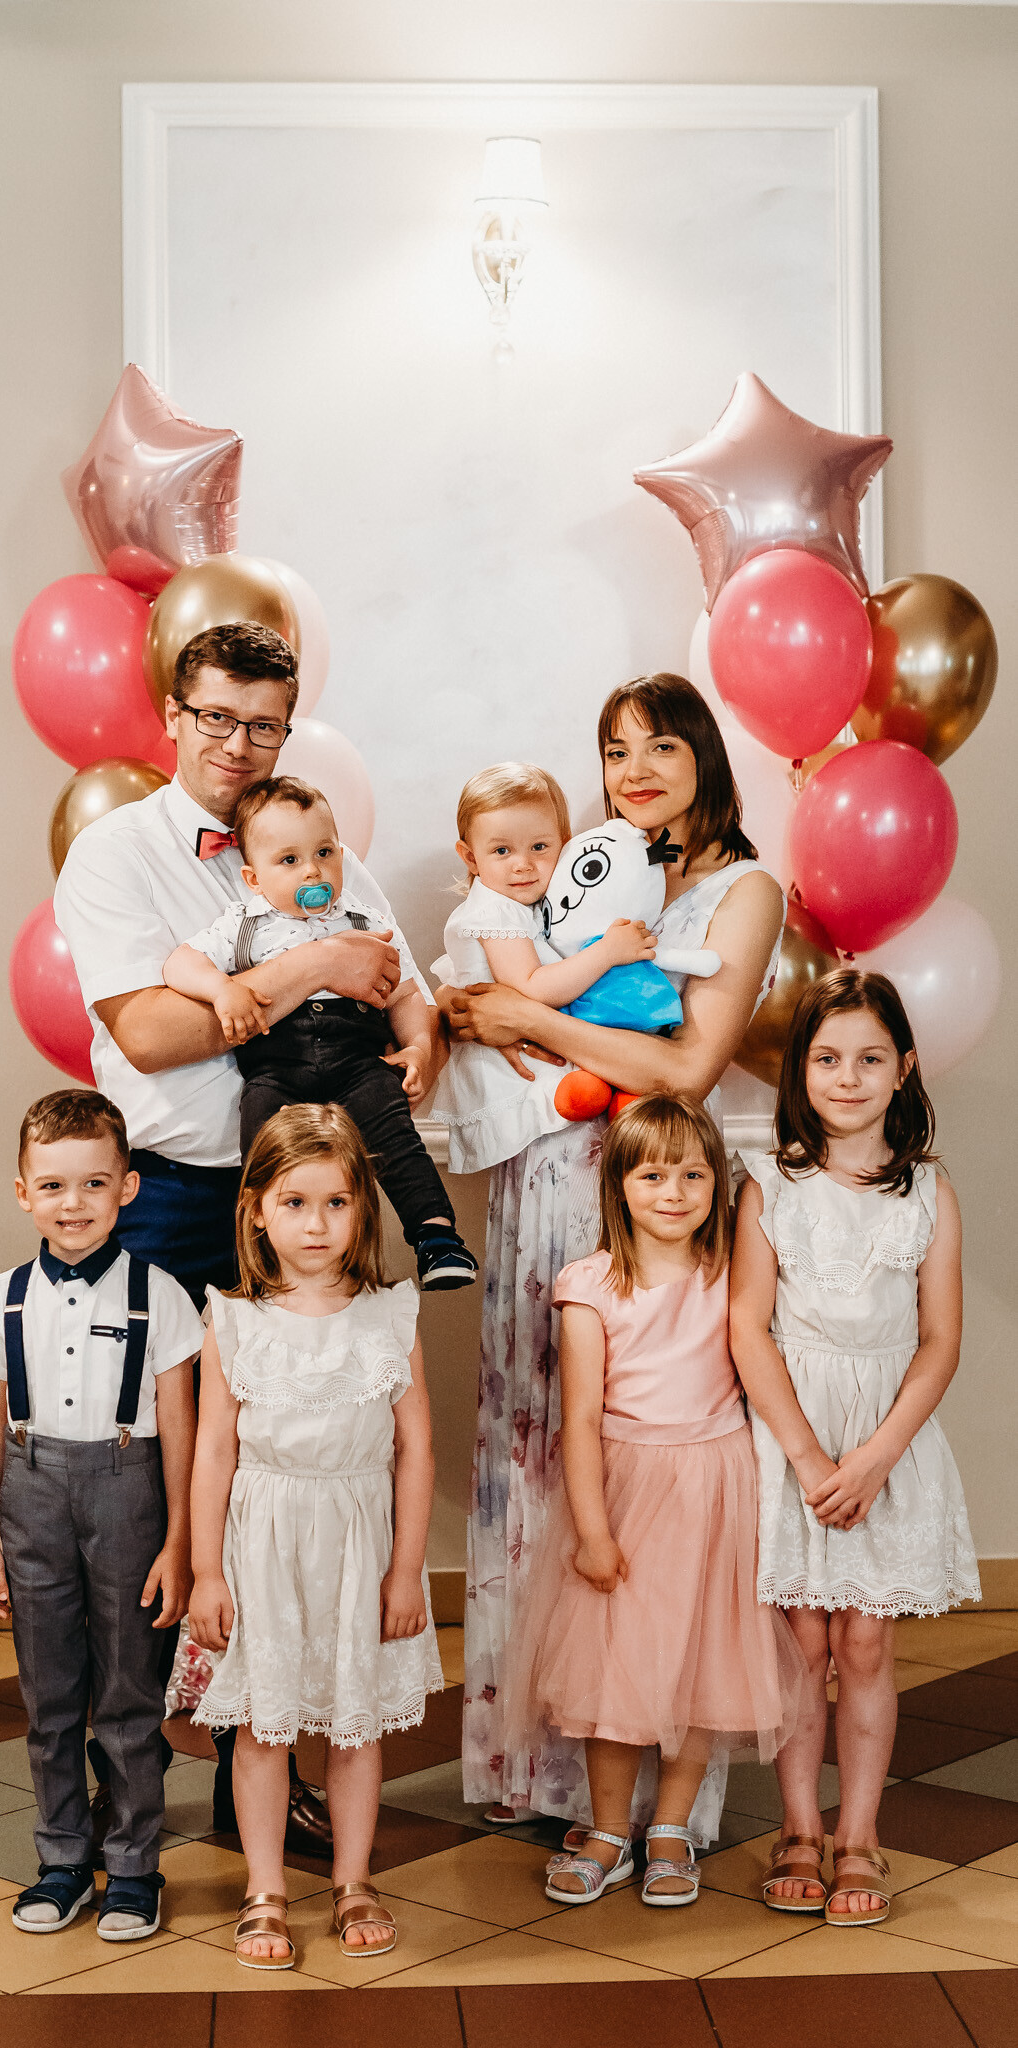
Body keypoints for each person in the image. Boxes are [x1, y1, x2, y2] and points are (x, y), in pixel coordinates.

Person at [55, 618, 428, 1854]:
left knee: (290, 1482)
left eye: (263, 722)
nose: (237, 741)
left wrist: (416, 1027)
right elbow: (151, 1032)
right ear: (174, 714)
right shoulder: (117, 853)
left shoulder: (324, 842)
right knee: (151, 1491)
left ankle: (261, 1779)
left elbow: (398, 981)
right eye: (216, 715)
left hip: (305, 1208)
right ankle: (123, 1787)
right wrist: (313, 963)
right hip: (171, 1194)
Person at [442, 679, 786, 1826]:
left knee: (654, 1454)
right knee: (542, 1437)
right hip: (544, 1171)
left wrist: (529, 1019)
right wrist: (476, 1010)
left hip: (655, 1196)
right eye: (614, 748)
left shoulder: (742, 888)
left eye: (660, 745)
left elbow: (686, 1065)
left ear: (705, 757)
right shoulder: (581, 864)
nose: (634, 767)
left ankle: (654, 1794)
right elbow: (490, 975)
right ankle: (539, 1766)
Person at [504, 1096, 803, 1907]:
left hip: (713, 1485)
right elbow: (579, 1418)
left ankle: (669, 1827)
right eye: (651, 1176)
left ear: (716, 1185)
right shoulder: (590, 1285)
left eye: (692, 1176)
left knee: (701, 1662)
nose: (672, 1193)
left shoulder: (728, 1275)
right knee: (613, 1672)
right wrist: (592, 1532)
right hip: (627, 1488)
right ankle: (609, 1831)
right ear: (618, 1185)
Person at [731, 970, 978, 1927]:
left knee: (865, 1642)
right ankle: (798, 1827)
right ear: (800, 1070)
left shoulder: (928, 1194)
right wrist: (805, 1457)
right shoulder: (769, 1187)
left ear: (902, 1067)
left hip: (885, 1439)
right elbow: (747, 1328)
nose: (847, 1078)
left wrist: (875, 1456)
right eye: (827, 1059)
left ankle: (859, 1834)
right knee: (802, 1642)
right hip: (794, 1435)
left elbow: (939, 1341)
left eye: (869, 1059)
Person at [188, 1104, 442, 1969]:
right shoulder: (232, 1320)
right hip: (262, 1540)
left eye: (336, 1202)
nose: (316, 1224)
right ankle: (263, 1889)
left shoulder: (390, 1314)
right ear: (257, 1209)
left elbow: (416, 1449)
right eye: (294, 1203)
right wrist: (206, 1573)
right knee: (265, 1725)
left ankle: (352, 1879)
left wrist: (405, 1571)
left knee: (352, 1724)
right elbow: (213, 1452)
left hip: (359, 1540)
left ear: (361, 1208)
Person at [0, 1089, 202, 1939]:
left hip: (128, 1490)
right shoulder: (2, 1298)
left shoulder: (161, 1297)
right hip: (30, 1495)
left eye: (94, 1184)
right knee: (49, 1692)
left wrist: (179, 1542)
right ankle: (62, 1859)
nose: (74, 1204)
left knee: (130, 1692)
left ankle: (133, 1866)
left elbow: (182, 1427)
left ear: (126, 1188)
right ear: (23, 1192)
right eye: (53, 1186)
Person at [163, 773, 476, 1288]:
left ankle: (436, 1237)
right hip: (277, 1066)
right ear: (254, 878)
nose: (312, 869)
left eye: (325, 853)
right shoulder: (243, 924)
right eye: (289, 860)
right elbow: (180, 963)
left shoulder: (365, 920)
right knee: (261, 1148)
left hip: (358, 1060)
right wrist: (222, 990)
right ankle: (261, 1259)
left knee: (395, 1134)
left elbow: (403, 993)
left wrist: (419, 1047)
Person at [431, 761, 654, 1177]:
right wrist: (607, 953)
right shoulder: (497, 911)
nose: (523, 864)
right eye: (502, 851)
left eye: (539, 847)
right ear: (470, 857)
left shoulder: (519, 904)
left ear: (564, 847)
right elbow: (533, 987)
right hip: (517, 1071)